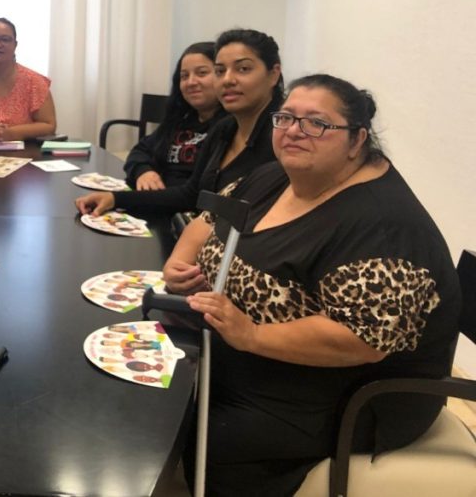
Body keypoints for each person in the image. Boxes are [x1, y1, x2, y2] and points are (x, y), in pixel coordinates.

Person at [165, 74, 461, 496]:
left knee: (199, 433)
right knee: (159, 391)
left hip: (344, 394)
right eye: (285, 118)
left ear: (357, 139)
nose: (294, 131)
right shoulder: (274, 177)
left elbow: (362, 339)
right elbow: (208, 221)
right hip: (256, 361)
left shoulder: (384, 225)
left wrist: (252, 334)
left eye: (317, 123)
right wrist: (180, 263)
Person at [76, 28, 283, 218]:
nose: (228, 79)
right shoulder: (225, 129)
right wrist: (115, 198)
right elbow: (192, 195)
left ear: (273, 74)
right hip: (190, 230)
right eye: (220, 71)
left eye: (243, 69)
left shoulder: (283, 137)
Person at [123, 41, 223, 189]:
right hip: (155, 200)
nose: (191, 82)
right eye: (184, 76)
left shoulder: (231, 127)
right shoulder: (181, 120)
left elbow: (193, 193)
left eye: (202, 73)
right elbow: (140, 150)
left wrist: (116, 199)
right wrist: (144, 171)